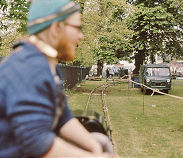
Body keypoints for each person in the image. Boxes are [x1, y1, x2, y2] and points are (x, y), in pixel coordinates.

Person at [0, 0, 117, 157]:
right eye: (77, 28)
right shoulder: (28, 68)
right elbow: (37, 142)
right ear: (56, 28)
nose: (80, 36)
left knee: (100, 141)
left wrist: (94, 147)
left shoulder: (48, 64)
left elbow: (63, 118)